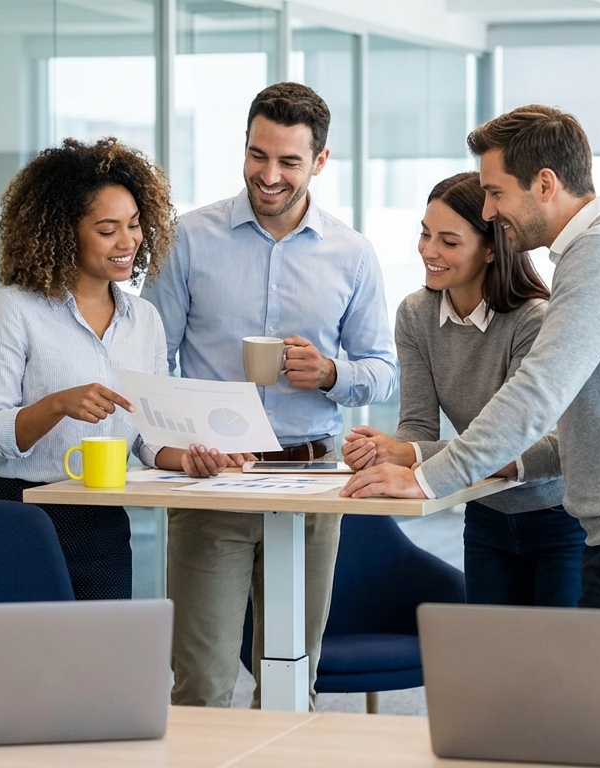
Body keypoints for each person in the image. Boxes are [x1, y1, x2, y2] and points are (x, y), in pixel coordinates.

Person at [341, 104, 600, 645]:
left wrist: (424, 476)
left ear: (545, 183)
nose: (489, 208)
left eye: (496, 192)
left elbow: (534, 396)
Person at [141, 82, 397, 707]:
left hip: (311, 481)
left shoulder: (353, 254)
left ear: (320, 161)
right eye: (259, 155)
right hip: (214, 483)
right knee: (201, 684)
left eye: (289, 161)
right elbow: (150, 359)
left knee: (290, 681)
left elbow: (385, 371)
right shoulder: (188, 240)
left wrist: (332, 375)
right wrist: (177, 443)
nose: (270, 175)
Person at [0, 137, 248, 601]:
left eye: (135, 225)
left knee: (103, 668)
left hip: (103, 525)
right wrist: (57, 405)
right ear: (64, 231)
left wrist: (191, 457)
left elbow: (146, 436)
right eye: (108, 229)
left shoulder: (145, 321)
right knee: (23, 671)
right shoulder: (12, 310)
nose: (129, 242)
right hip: (18, 520)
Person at [341, 171, 583, 607]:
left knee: (559, 666)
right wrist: (386, 453)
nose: (429, 252)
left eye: (449, 242)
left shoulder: (534, 320)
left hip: (559, 518)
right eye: (425, 234)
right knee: (488, 663)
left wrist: (409, 456)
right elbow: (417, 426)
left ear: (491, 248)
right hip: (486, 513)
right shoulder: (415, 314)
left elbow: (533, 446)